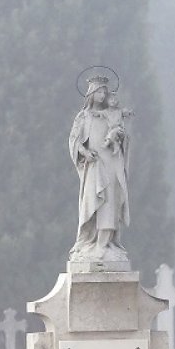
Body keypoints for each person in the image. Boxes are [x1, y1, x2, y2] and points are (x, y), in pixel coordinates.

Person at [68, 75, 130, 263]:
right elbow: (74, 140)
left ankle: (105, 243)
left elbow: (121, 133)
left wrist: (118, 137)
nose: (102, 95)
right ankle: (88, 242)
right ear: (92, 94)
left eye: (105, 91)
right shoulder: (83, 116)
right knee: (92, 202)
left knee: (110, 202)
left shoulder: (112, 114)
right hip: (94, 165)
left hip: (111, 163)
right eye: (99, 91)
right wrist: (84, 153)